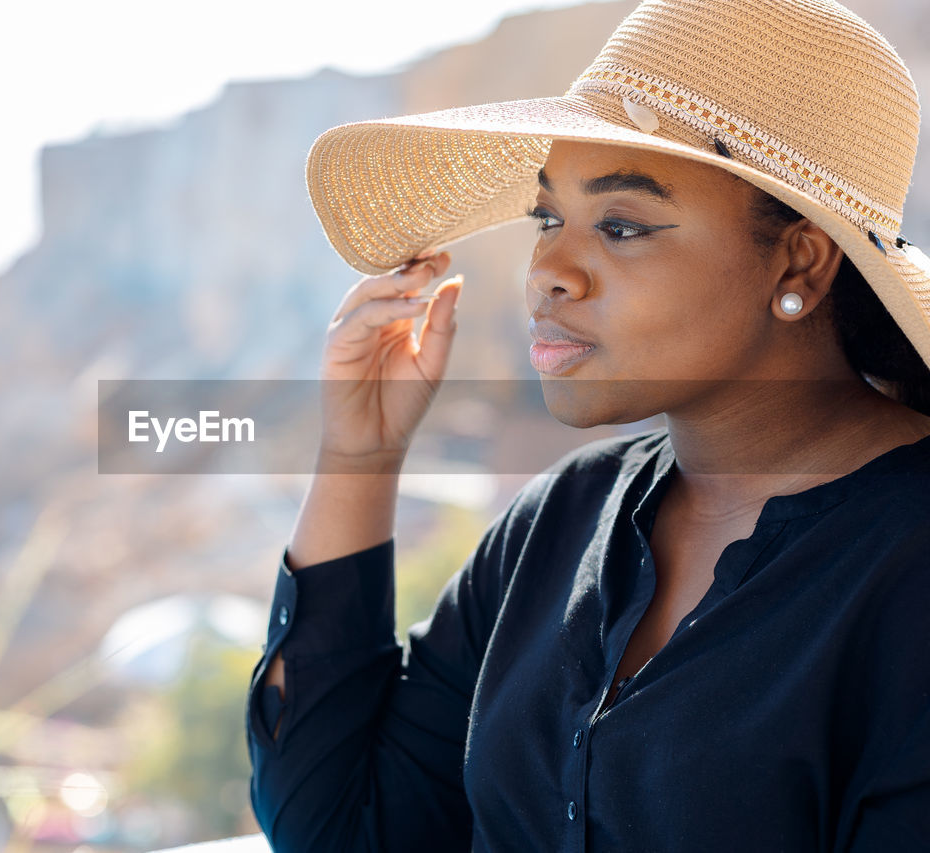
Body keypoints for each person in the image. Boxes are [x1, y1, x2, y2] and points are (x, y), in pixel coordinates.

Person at [244, 0, 930, 850]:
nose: (547, 274)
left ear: (799, 259)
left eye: (620, 225)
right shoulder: (564, 517)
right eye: (546, 218)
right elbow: (341, 825)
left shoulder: (909, 569)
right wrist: (360, 453)